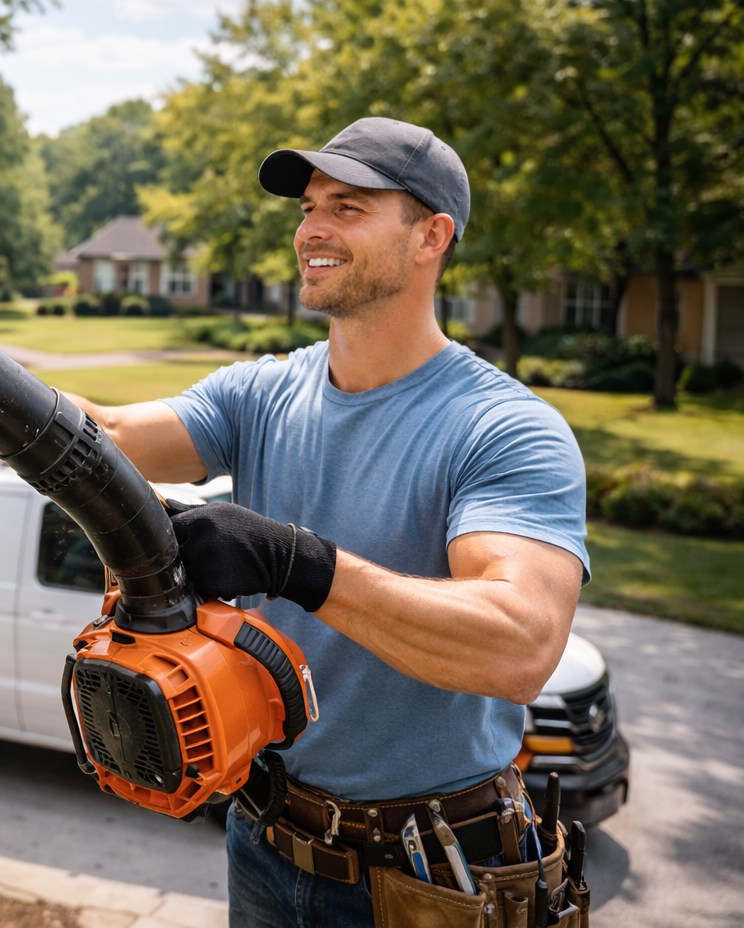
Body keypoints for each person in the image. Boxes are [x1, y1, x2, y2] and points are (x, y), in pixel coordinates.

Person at [67, 117, 590, 927]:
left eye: (348, 206)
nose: (312, 227)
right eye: (309, 206)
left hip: (432, 873)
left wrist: (298, 564)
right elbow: (108, 440)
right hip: (266, 838)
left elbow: (519, 642)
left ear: (431, 237)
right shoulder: (263, 393)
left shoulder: (502, 428)